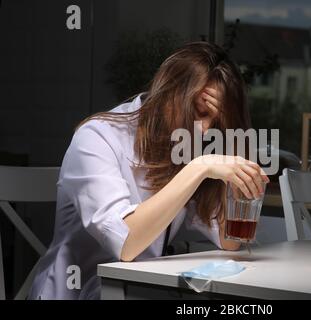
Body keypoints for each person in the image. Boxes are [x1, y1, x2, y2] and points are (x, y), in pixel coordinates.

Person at [28, 42, 269, 299]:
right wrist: (197, 168)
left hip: (140, 292)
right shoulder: (97, 137)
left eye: (217, 122)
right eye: (200, 112)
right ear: (169, 94)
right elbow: (126, 244)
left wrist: (232, 144)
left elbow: (230, 241)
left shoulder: (187, 145)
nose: (205, 130)